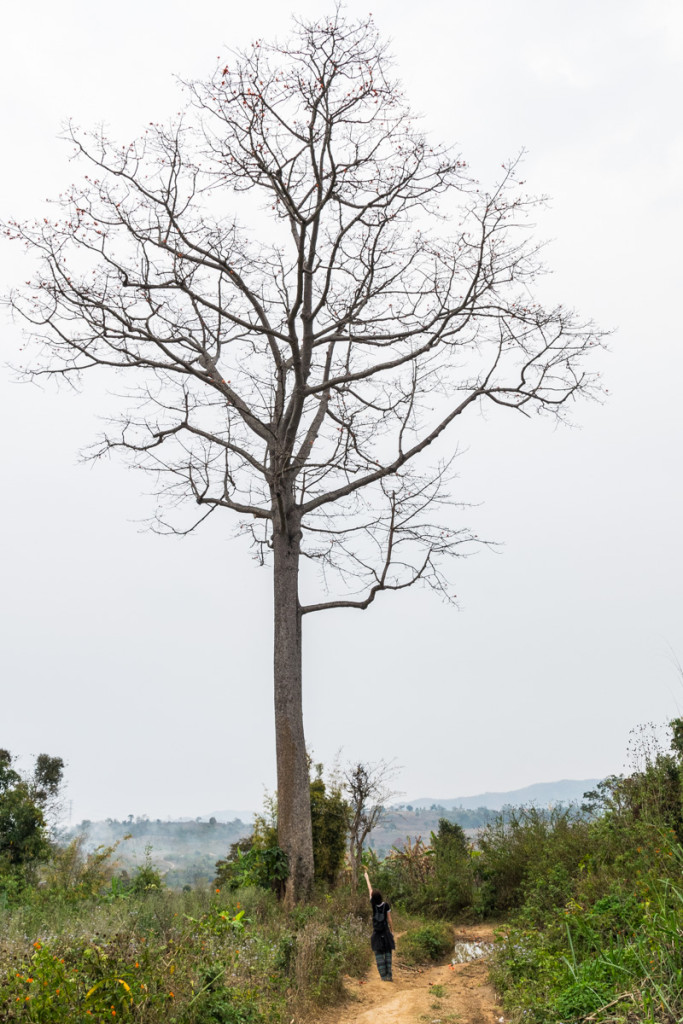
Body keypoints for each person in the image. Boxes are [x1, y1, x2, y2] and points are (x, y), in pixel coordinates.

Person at [364, 868, 396, 981]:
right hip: (386, 932)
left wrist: (367, 877)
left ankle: (383, 977)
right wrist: (392, 932)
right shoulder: (386, 905)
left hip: (376, 933)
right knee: (388, 953)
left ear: (373, 898)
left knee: (378, 954)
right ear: (381, 897)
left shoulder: (373, 904)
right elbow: (390, 920)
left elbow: (369, 889)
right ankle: (389, 975)